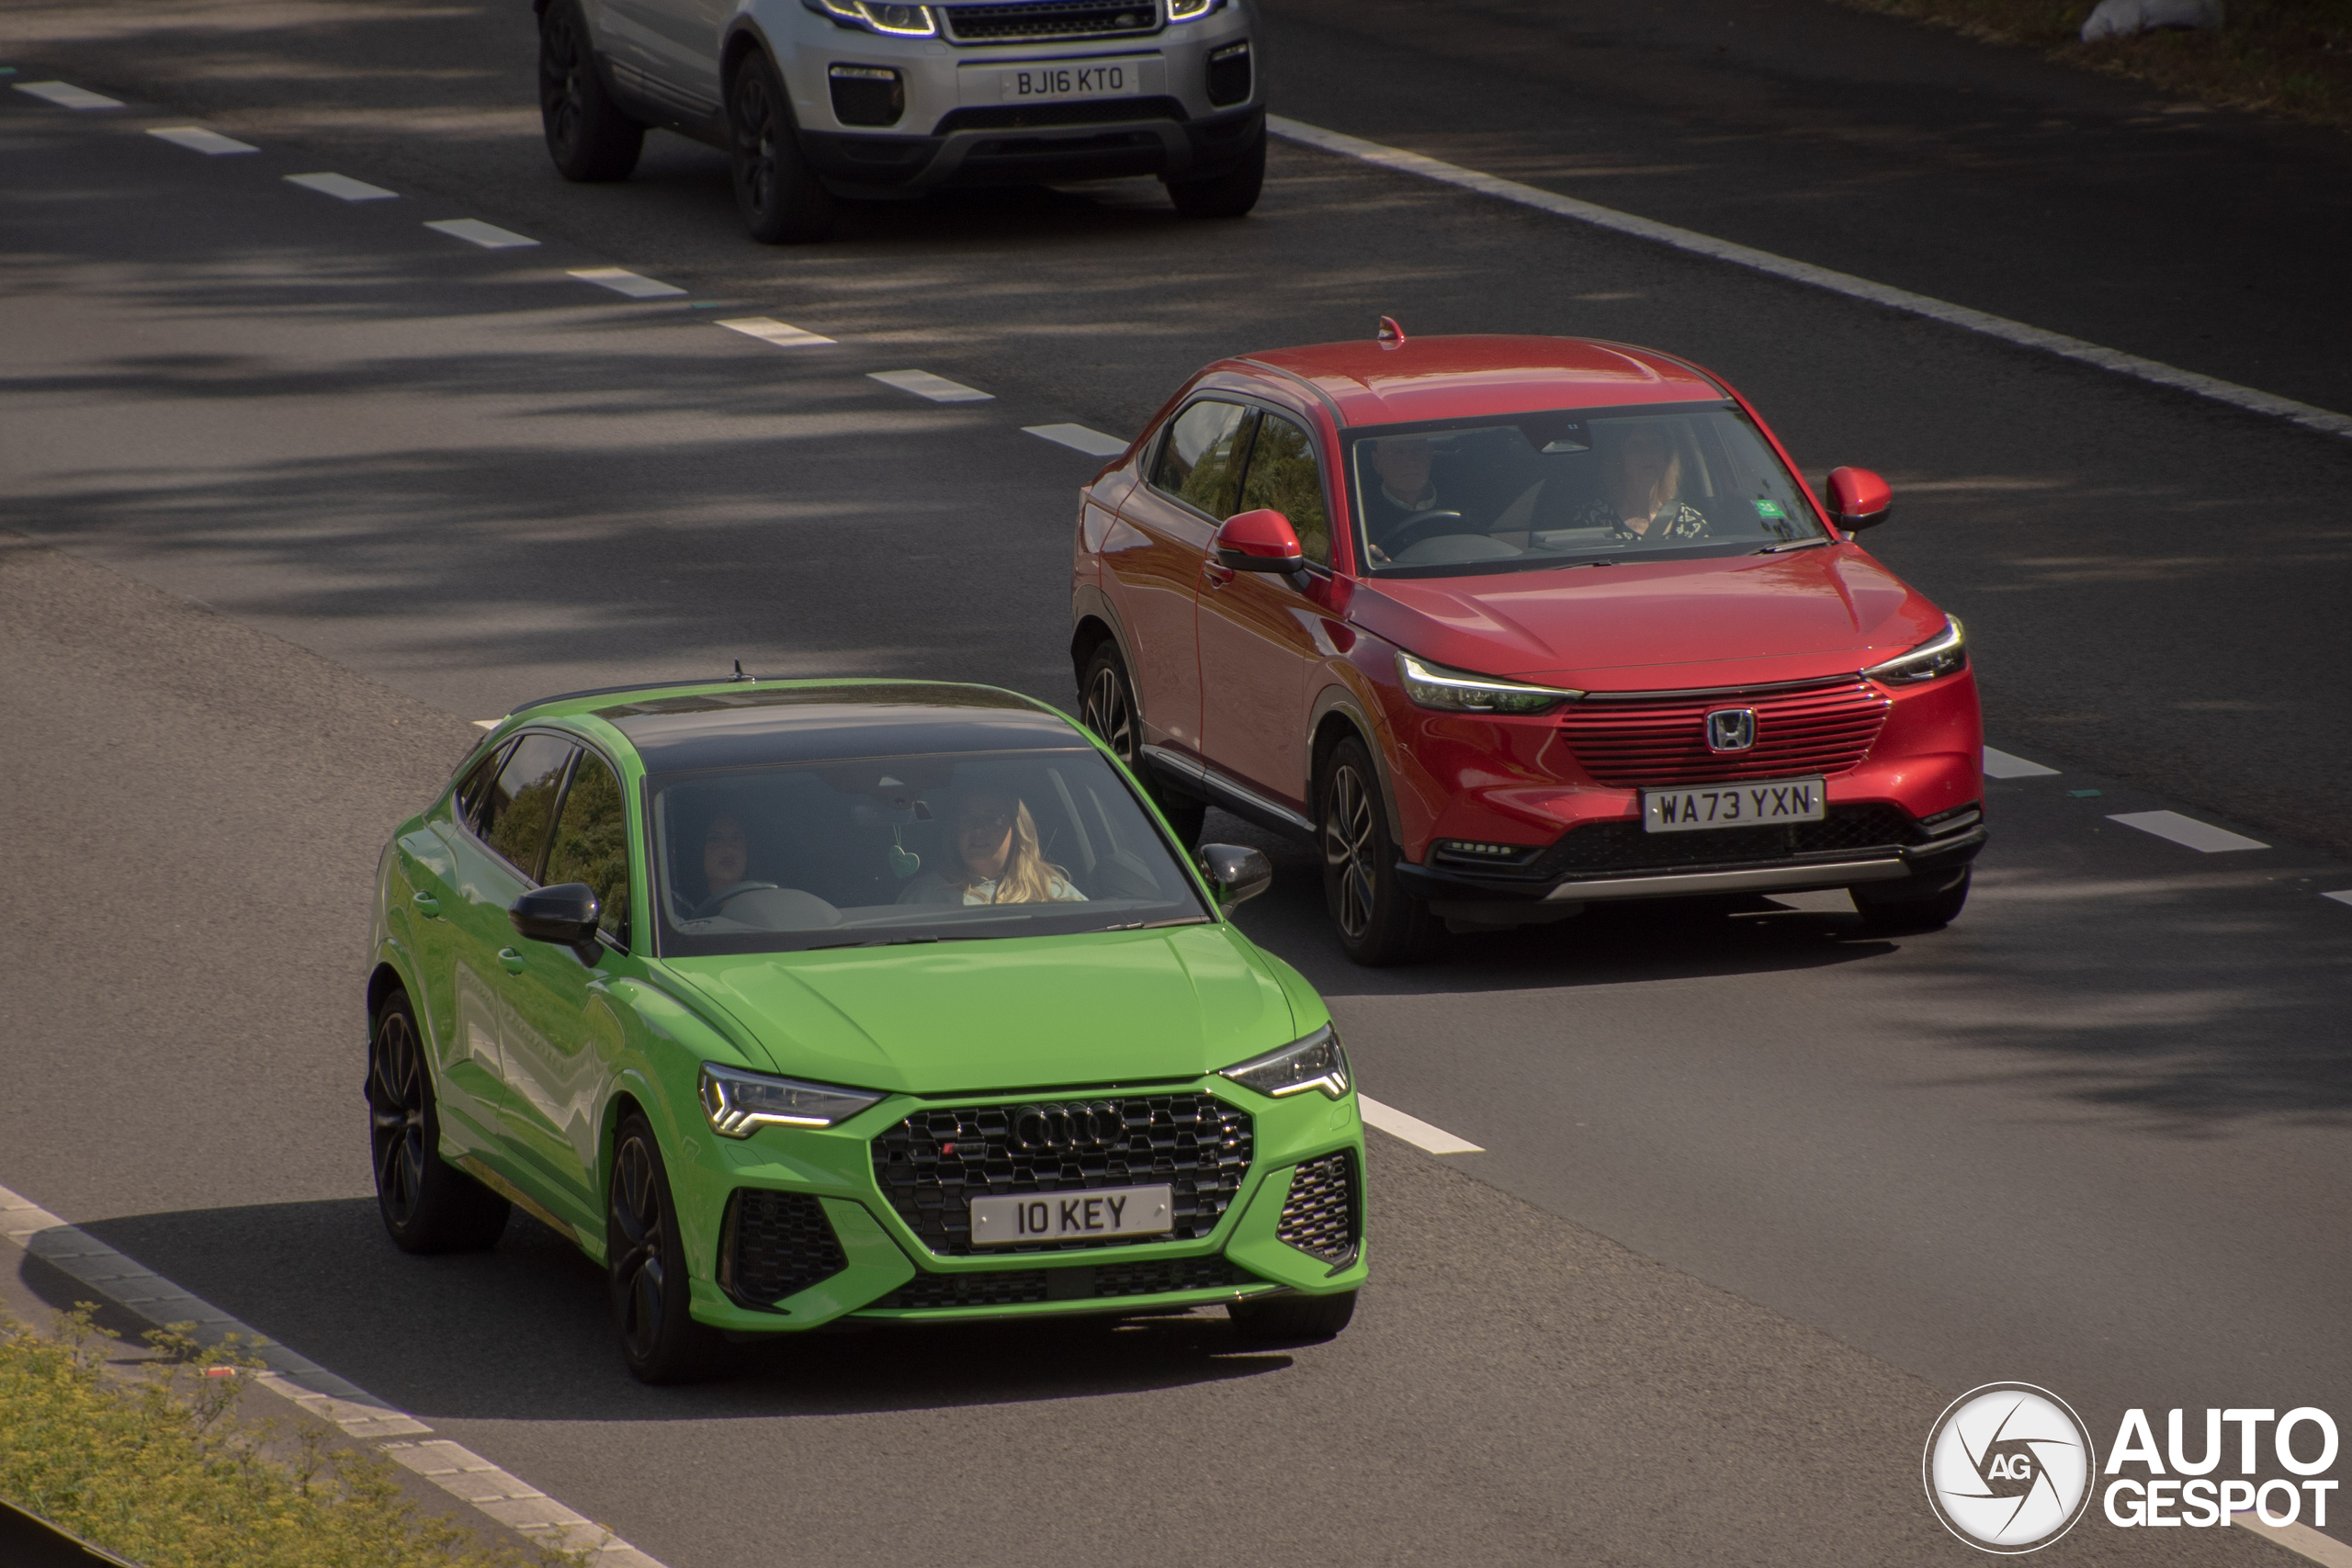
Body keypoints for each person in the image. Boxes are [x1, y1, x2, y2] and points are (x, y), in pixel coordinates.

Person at [899, 794, 1086, 906]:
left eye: (993, 819)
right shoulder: (926, 895)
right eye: (967, 819)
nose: (978, 829)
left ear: (1018, 831)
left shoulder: (1051, 892)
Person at [1576, 423, 1710, 540]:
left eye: (1654, 444)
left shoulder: (1690, 523)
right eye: (1635, 446)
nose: (1647, 454)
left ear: (1666, 457)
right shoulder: (1595, 519)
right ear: (1620, 458)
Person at [1358, 435, 1448, 563]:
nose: (1411, 461)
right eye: (1398, 452)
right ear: (1377, 462)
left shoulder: (1466, 501)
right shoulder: (1356, 516)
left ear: (1430, 455)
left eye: (1418, 450)